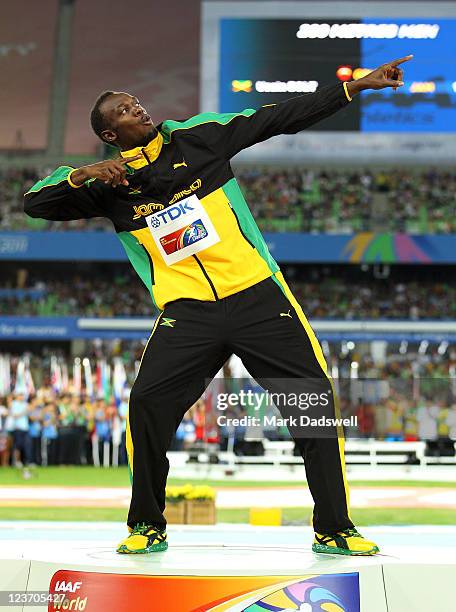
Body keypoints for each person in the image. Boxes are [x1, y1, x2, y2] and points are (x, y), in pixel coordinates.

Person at [24, 55, 411, 556]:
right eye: (123, 109)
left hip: (257, 296)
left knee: (314, 404)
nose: (136, 107)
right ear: (110, 135)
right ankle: (146, 524)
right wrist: (81, 177)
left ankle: (334, 526)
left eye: (135, 101)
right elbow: (35, 203)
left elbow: (277, 116)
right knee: (145, 406)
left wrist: (355, 88)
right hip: (187, 312)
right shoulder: (108, 186)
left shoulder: (198, 137)